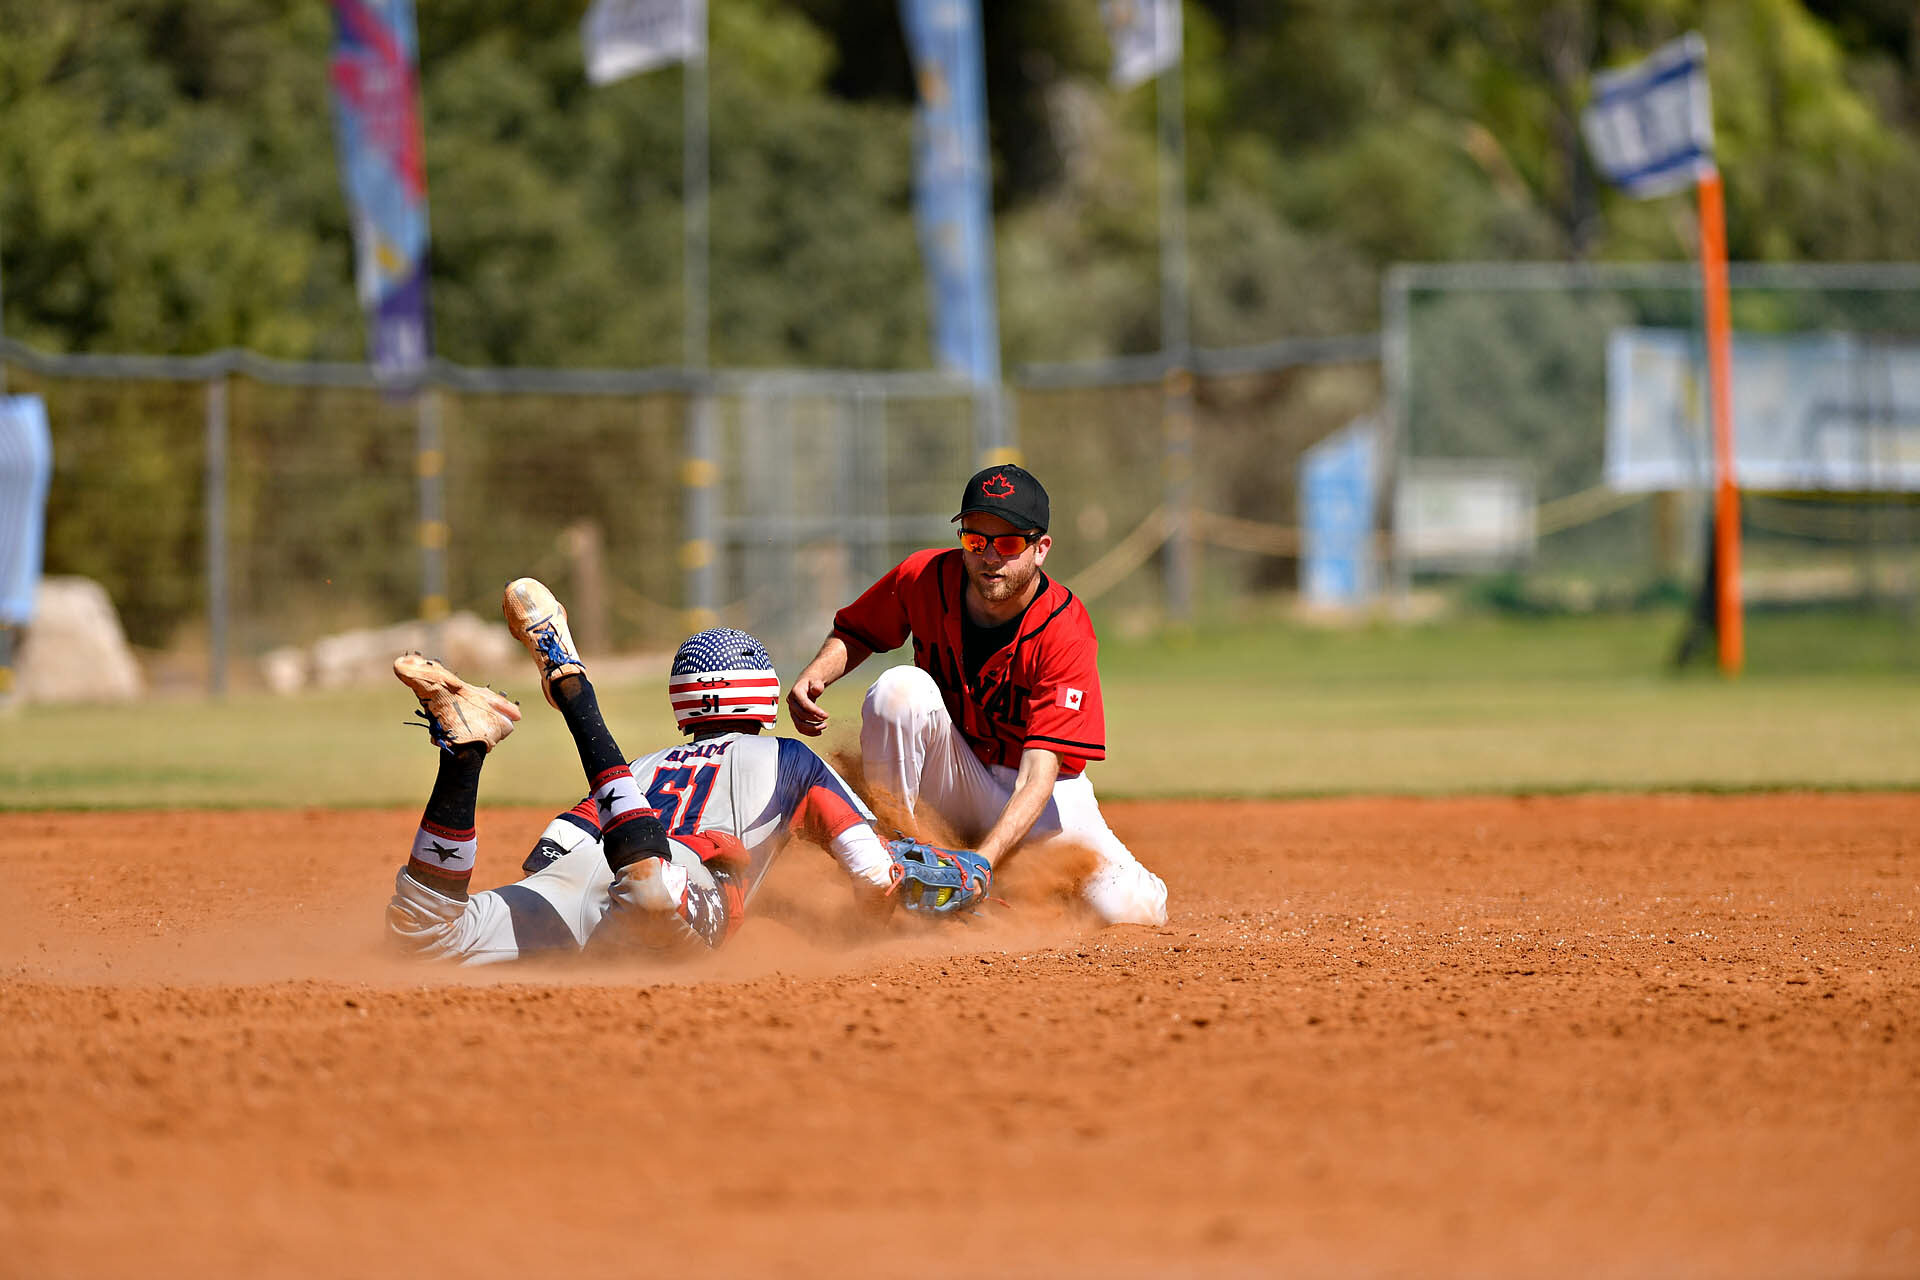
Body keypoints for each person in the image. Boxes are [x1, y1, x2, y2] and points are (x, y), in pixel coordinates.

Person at [385, 577, 899, 965]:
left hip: (583, 876)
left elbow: (547, 854)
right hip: (662, 887)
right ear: (763, 692)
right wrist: (860, 930)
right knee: (651, 893)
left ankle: (463, 755)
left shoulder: (639, 769)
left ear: (683, 699)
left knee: (424, 938)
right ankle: (574, 690)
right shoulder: (792, 760)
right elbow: (874, 876)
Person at [787, 464, 1168, 926]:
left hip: (1038, 792)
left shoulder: (1065, 630)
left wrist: (981, 864)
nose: (990, 557)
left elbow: (1037, 777)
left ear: (1040, 548)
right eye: (976, 540)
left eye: (1007, 543)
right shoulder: (924, 577)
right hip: (958, 769)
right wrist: (818, 672)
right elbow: (857, 630)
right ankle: (894, 868)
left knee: (1129, 909)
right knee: (897, 690)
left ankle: (995, 878)